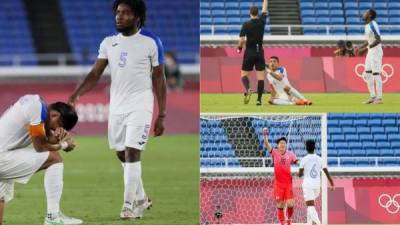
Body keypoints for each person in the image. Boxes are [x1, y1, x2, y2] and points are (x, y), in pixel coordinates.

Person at [67, 0, 167, 220]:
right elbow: (95, 74)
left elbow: (159, 78)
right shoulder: (108, 43)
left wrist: (161, 114)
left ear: (137, 17)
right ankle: (142, 198)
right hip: (117, 106)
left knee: (132, 152)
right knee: (122, 154)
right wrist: (77, 94)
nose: (119, 17)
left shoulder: (151, 42)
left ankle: (128, 206)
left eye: (126, 13)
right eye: (118, 12)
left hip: (141, 104)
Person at [0, 94, 81, 225]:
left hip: (5, 152)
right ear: (55, 115)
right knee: (55, 159)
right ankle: (53, 217)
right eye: (58, 126)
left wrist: (54, 139)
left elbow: (43, 139)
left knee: (1, 197)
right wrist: (64, 145)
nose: (55, 130)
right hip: (3, 156)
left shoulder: (36, 105)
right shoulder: (36, 109)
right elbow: (40, 147)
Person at [263, 128, 298, 225]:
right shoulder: (274, 152)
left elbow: (297, 161)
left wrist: (302, 164)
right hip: (278, 184)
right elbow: (266, 144)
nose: (283, 144)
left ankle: (289, 220)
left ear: (286, 145)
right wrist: (265, 135)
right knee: (280, 205)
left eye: (284, 143)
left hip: (288, 183)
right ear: (277, 145)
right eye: (281, 143)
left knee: (291, 203)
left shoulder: (291, 154)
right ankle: (282, 223)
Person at [237, 0, 268, 106]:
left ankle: (248, 89)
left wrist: (239, 48)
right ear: (258, 13)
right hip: (260, 52)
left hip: (249, 52)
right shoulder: (262, 21)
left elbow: (241, 40)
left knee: (244, 75)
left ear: (250, 13)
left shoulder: (245, 24)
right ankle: (259, 100)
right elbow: (265, 9)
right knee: (260, 77)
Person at [299, 140, 335, 225]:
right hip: (317, 186)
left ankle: (318, 223)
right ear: (314, 148)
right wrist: (332, 184)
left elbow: (300, 175)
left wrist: (302, 169)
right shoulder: (320, 159)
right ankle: (309, 222)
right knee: (310, 205)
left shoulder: (304, 159)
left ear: (306, 148)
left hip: (308, 185)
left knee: (310, 206)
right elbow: (326, 172)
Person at [356, 9, 383, 104]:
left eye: (366, 13)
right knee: (368, 73)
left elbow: (378, 40)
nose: (363, 14)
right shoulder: (367, 26)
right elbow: (369, 40)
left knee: (376, 74)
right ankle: (372, 96)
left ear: (370, 15)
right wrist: (360, 47)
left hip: (376, 52)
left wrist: (365, 48)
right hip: (370, 51)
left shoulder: (373, 25)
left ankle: (379, 98)